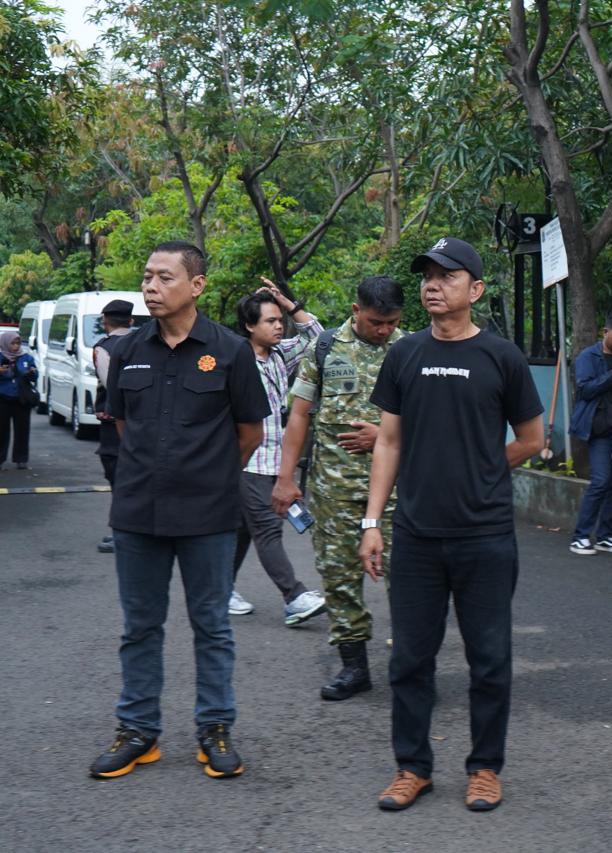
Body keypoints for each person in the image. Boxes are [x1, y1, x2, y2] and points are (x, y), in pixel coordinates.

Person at [358, 237, 543, 813]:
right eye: (427, 276)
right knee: (409, 658)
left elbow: (533, 440)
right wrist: (372, 522)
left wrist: (484, 470)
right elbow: (387, 441)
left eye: (447, 275)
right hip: (416, 536)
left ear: (476, 289)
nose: (432, 285)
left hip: (485, 536)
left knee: (489, 658)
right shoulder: (405, 354)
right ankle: (412, 767)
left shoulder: (502, 357)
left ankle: (485, 768)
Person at [90, 241, 270, 780]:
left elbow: (250, 432)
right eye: (147, 277)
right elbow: (124, 425)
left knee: (211, 625)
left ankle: (215, 729)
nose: (150, 286)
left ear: (197, 286)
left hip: (208, 515)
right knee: (139, 627)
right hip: (138, 511)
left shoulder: (231, 351)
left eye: (164, 277)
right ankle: (138, 731)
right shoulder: (126, 350)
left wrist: (208, 476)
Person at [271, 275, 404, 700]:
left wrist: (381, 435)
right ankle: (354, 668)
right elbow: (299, 416)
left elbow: (436, 415)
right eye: (376, 322)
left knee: (412, 583)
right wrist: (286, 477)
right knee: (340, 580)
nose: (384, 330)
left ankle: (411, 667)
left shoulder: (411, 349)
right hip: (336, 492)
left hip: (401, 494)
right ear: (355, 311)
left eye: (391, 322)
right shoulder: (325, 348)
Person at [228, 280, 326, 625]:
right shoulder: (236, 360)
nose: (278, 325)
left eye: (278, 320)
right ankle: (294, 596)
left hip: (276, 458)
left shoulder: (280, 355)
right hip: (250, 460)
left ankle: (218, 587)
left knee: (243, 527)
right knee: (268, 528)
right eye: (270, 321)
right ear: (249, 326)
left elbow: (318, 338)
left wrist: (288, 302)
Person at [568, 310, 612, 555]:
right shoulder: (588, 357)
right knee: (600, 481)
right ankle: (580, 536)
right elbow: (585, 390)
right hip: (598, 428)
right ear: (605, 332)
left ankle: (606, 536)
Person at [93, 300, 136, 553]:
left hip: (115, 423)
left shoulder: (104, 347)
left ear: (105, 321)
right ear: (131, 321)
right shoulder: (142, 342)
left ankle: (123, 532)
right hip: (143, 422)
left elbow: (113, 386)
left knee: (117, 476)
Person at [0, 329, 38, 470]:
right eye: (13, 343)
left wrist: (32, 372)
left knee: (22, 430)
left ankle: (21, 459)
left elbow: (35, 376)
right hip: (3, 398)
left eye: (18, 343)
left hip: (21, 399)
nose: (16, 346)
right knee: (1, 431)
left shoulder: (26, 357)